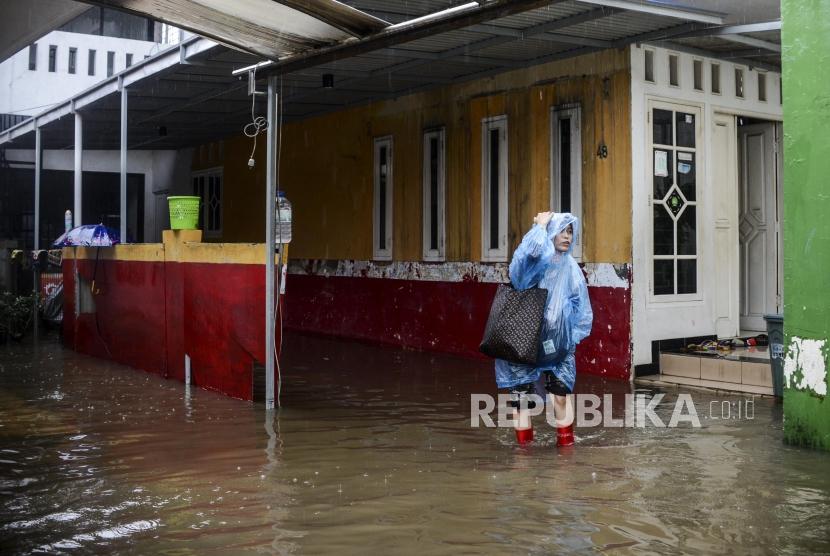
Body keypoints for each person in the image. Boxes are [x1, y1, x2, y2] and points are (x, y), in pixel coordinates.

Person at [495, 211, 593, 446]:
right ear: (550, 232)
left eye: (570, 231)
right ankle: (524, 457)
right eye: (561, 230)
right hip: (523, 339)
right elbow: (525, 259)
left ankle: (566, 451)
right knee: (521, 400)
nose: (567, 236)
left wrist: (571, 337)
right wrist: (539, 226)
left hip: (557, 343)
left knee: (561, 394)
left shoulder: (571, 268)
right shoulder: (534, 262)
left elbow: (582, 308)